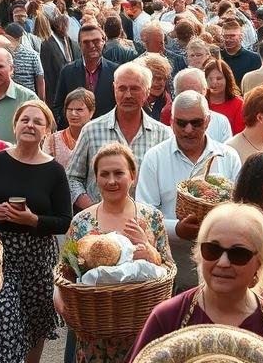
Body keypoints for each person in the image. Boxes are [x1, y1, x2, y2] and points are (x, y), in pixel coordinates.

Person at [129, 203, 263, 363]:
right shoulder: (168, 317)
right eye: (212, 250)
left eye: (238, 253)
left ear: (259, 262)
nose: (223, 262)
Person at [0, 100, 71, 363]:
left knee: (36, 327)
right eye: (25, 120)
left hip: (39, 257)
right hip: (3, 255)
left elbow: (64, 221)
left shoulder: (54, 171)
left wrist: (33, 220)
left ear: (46, 130)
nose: (30, 125)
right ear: (15, 125)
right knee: (7, 323)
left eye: (38, 122)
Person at [55, 142, 172, 363]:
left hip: (141, 330)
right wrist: (57, 294)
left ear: (132, 175)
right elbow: (65, 270)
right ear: (96, 178)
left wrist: (150, 252)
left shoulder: (151, 218)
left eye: (119, 173)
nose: (111, 181)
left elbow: (168, 269)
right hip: (93, 333)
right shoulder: (82, 221)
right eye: (104, 174)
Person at [134, 91, 243, 293]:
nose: (189, 130)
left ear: (207, 121)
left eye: (196, 123)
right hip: (171, 264)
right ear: (171, 122)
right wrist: (177, 229)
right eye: (182, 123)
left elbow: (240, 207)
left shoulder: (227, 156)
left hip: (221, 263)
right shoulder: (155, 157)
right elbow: (144, 213)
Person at [66, 63, 172, 209]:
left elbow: (169, 183)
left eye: (134, 88)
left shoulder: (163, 134)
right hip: (98, 220)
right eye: (122, 88)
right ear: (114, 89)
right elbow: (72, 178)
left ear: (147, 92)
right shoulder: (91, 130)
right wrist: (93, 211)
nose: (128, 95)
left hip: (144, 219)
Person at [51, 24, 117, 126]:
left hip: (106, 131)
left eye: (96, 41)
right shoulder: (67, 71)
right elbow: (58, 106)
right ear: (79, 45)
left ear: (104, 41)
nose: (92, 45)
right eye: (86, 42)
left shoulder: (115, 72)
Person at [44, 87, 95, 173]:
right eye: (70, 109)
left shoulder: (100, 137)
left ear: (91, 112)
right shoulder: (52, 140)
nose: (73, 113)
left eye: (79, 110)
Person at [205, 57, 246, 135]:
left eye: (219, 78)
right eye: (210, 79)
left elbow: (239, 135)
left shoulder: (239, 104)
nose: (214, 82)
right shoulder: (200, 102)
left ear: (227, 79)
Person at [218, 17, 261, 89]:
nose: (228, 39)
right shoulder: (217, 56)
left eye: (232, 36)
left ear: (241, 37)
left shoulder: (254, 59)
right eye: (225, 36)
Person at [141, 53, 173, 121]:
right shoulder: (134, 102)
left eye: (161, 78)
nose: (156, 83)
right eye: (152, 79)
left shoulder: (170, 106)